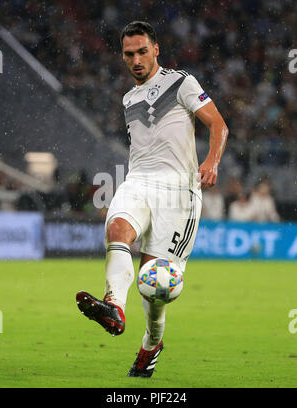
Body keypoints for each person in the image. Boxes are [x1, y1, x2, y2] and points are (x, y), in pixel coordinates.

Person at [76, 21, 228, 378]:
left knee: (154, 286)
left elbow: (218, 124)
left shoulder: (181, 82)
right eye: (129, 54)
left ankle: (151, 344)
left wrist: (211, 161)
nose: (136, 59)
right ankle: (114, 306)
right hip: (139, 182)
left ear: (155, 49)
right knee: (116, 228)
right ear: (123, 56)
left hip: (179, 193)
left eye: (142, 51)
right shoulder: (128, 98)